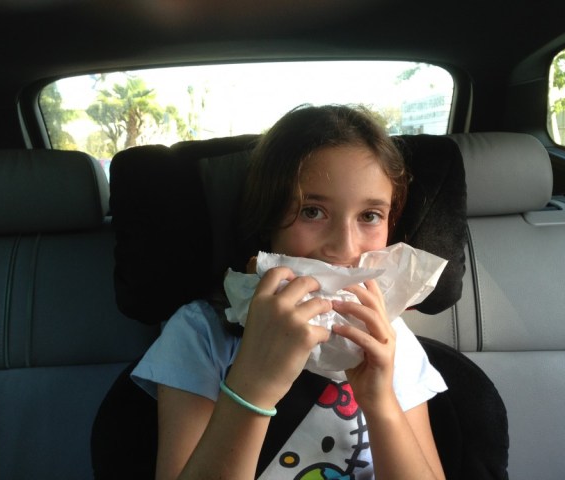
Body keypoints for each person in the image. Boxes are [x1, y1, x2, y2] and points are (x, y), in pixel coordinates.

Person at [131, 103, 448, 480]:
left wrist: (381, 402)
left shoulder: (391, 338)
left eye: (369, 216)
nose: (344, 247)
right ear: (268, 219)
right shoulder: (201, 333)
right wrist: (254, 383)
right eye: (312, 211)